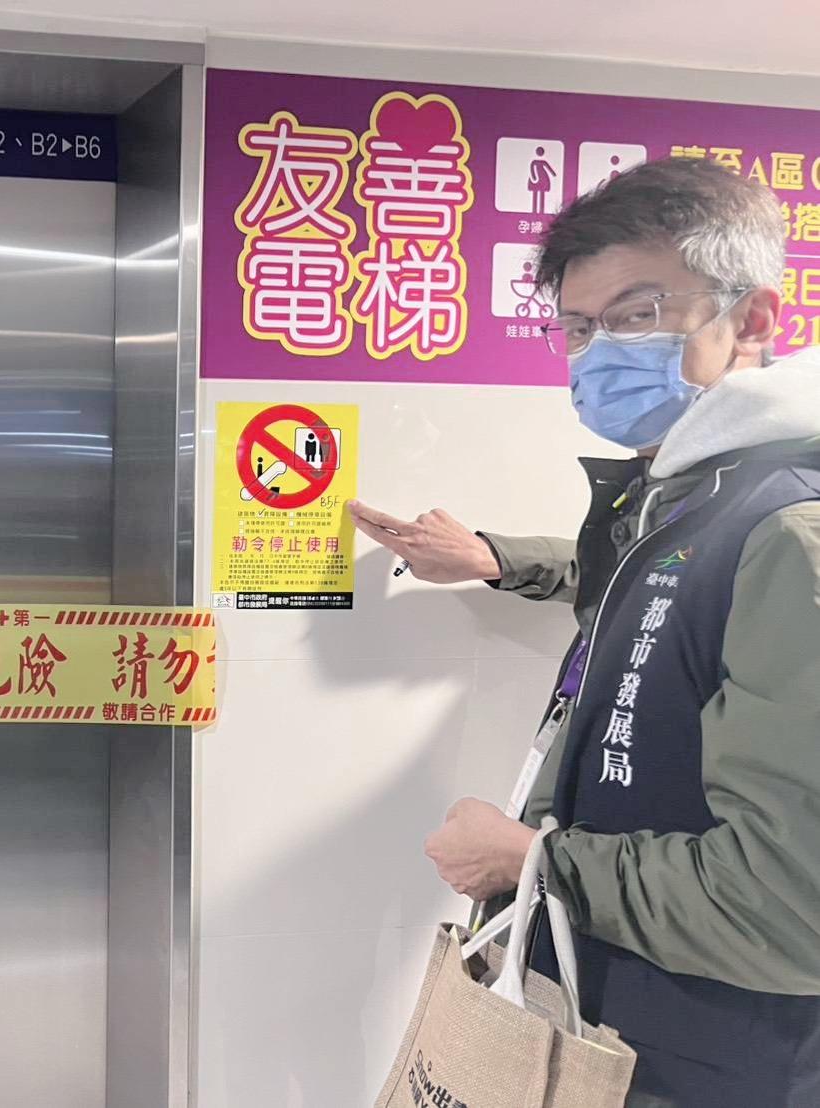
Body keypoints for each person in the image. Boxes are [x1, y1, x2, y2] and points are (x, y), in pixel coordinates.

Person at [351, 158, 820, 1106]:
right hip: (638, 1028)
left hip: (724, 1063)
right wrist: (492, 556)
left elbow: (789, 905)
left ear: (752, 320)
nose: (599, 352)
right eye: (576, 327)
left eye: (638, 313)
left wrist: (529, 862)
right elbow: (645, 590)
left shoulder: (787, 531)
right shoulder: (682, 496)